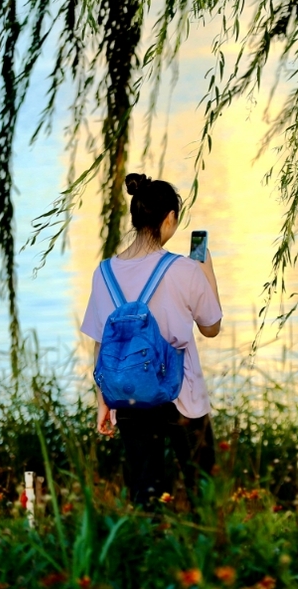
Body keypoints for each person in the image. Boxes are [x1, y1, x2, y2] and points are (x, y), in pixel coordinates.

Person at [81, 173, 223, 508]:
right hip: (182, 396)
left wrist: (104, 400)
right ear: (169, 219)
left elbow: (104, 344)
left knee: (146, 496)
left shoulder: (103, 273)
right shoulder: (184, 269)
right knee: (204, 490)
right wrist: (206, 270)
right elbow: (211, 327)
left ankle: (150, 554)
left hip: (129, 396)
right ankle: (207, 555)